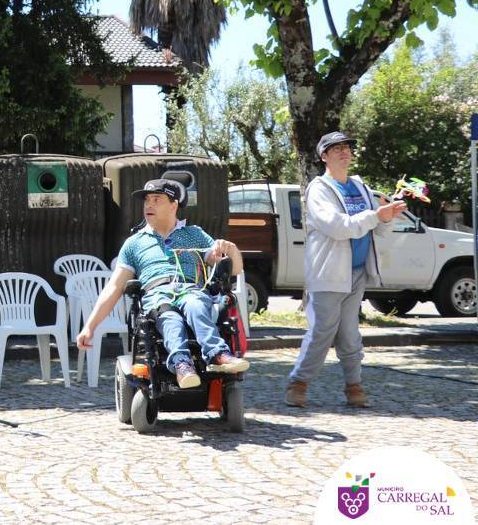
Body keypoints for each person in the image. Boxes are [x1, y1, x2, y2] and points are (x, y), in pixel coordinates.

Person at [77, 179, 249, 388]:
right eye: (147, 200)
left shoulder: (194, 234)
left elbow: (235, 269)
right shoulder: (134, 243)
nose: (148, 205)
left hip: (190, 289)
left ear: (173, 205)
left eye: (156, 199)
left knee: (195, 304)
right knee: (169, 317)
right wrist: (90, 327)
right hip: (157, 293)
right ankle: (182, 365)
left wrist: (231, 249)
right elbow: (114, 287)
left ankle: (218, 354)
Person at [286, 132, 405, 408]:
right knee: (322, 331)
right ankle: (298, 384)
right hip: (328, 274)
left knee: (351, 333)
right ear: (324, 156)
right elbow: (337, 227)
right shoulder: (319, 189)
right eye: (336, 148)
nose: (344, 152)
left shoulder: (360, 187)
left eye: (347, 147)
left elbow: (377, 228)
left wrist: (388, 217)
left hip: (357, 271)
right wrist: (376, 216)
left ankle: (354, 386)